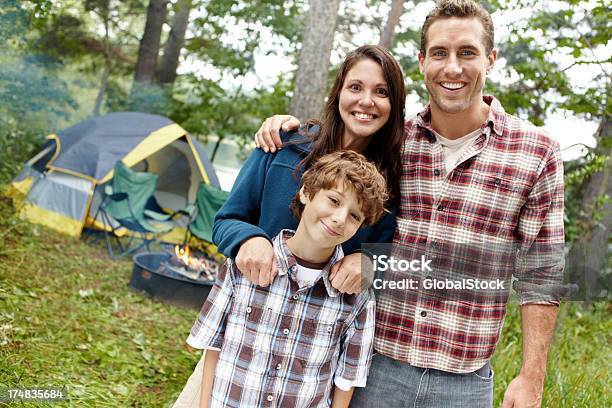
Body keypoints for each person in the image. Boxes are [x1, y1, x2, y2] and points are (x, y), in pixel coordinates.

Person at [254, 1, 565, 407]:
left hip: (463, 383)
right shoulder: (392, 141)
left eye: (466, 52)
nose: (452, 67)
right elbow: (334, 156)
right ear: (422, 61)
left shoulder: (537, 152)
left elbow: (542, 271)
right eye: (439, 53)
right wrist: (285, 126)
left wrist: (531, 376)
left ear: (490, 59)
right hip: (373, 365)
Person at [171, 44, 406, 408]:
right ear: (339, 91)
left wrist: (368, 263)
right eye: (355, 87)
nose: (366, 101)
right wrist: (248, 239)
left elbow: (386, 250)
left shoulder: (385, 183)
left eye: (382, 92)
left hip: (305, 368)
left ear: (394, 105)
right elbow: (226, 220)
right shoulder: (283, 144)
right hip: (241, 350)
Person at [186, 151, 388, 407]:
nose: (339, 218)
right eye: (334, 200)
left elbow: (346, 379)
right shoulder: (243, 265)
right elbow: (213, 347)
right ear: (306, 192)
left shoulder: (357, 297)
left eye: (354, 216)